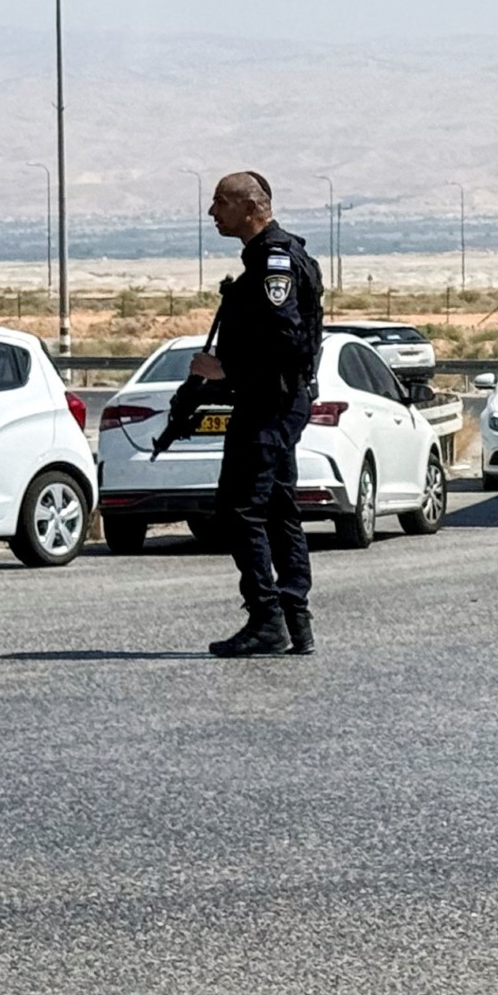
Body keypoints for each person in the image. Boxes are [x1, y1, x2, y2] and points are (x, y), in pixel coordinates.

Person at [185, 172, 324, 658]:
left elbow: (285, 341)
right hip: (273, 402)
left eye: (221, 202)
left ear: (252, 207)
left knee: (241, 510)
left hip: (269, 404)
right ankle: (295, 621)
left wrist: (224, 371)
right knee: (279, 509)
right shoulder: (267, 258)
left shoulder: (273, 261)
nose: (212, 212)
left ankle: (268, 618)